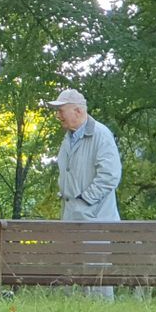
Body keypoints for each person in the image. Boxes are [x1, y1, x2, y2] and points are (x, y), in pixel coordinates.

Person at [47, 87, 121, 299]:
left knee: (97, 274)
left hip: (96, 217)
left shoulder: (101, 135)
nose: (58, 115)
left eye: (62, 110)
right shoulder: (69, 137)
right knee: (71, 271)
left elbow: (110, 176)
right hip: (72, 215)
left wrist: (84, 201)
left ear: (78, 111)